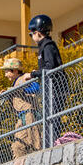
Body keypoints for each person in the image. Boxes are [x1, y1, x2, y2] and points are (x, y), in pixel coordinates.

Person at [21, 14, 67, 144]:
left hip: (56, 89)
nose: (32, 37)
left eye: (31, 34)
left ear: (37, 33)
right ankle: (50, 142)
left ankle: (53, 142)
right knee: (48, 117)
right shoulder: (44, 47)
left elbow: (50, 67)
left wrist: (32, 74)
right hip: (50, 88)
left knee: (53, 117)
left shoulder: (48, 46)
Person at [1, 57, 41, 158]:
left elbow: (36, 88)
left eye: (6, 72)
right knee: (17, 144)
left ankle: (37, 158)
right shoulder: (15, 82)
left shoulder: (25, 78)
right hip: (21, 117)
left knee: (35, 141)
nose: (5, 75)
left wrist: (22, 89)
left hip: (30, 114)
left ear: (14, 70)